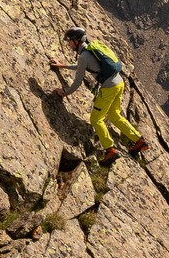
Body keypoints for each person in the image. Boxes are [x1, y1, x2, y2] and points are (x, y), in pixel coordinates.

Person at [51, 27, 148, 164]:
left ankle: (110, 150)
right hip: (119, 83)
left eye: (70, 41)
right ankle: (139, 141)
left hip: (109, 88)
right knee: (114, 115)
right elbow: (81, 66)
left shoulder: (84, 56)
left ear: (77, 41)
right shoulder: (89, 50)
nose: (68, 44)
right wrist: (61, 66)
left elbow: (78, 81)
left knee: (96, 119)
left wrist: (65, 93)